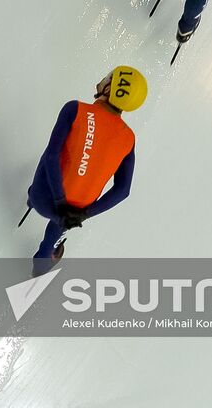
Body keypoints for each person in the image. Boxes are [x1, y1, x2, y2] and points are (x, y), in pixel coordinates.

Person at [26, 66, 147, 274]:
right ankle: (42, 261)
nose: (102, 79)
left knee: (55, 150)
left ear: (109, 88)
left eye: (108, 77)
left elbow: (52, 156)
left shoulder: (75, 109)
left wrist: (58, 202)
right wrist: (82, 214)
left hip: (41, 196)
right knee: (55, 230)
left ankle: (29, 201)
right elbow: (123, 190)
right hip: (69, 215)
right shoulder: (129, 139)